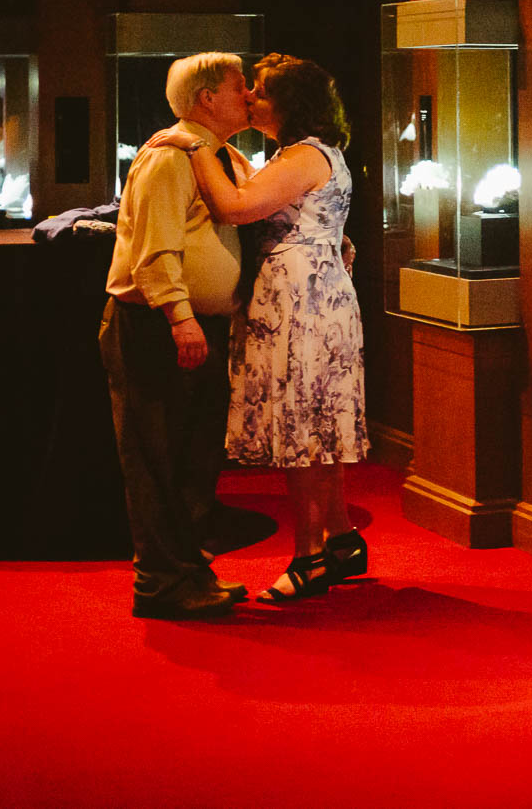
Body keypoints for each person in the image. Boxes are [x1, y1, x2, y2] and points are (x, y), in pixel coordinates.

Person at [150, 53, 370, 602]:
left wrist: (193, 144)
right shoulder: (296, 154)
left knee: (302, 430)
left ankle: (309, 556)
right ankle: (341, 539)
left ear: (291, 105)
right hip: (310, 292)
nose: (250, 100)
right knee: (316, 426)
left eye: (262, 94)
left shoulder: (301, 155)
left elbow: (235, 207)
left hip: (302, 299)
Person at [99, 52, 255, 619]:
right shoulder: (169, 157)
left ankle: (189, 571)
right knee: (156, 458)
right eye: (241, 86)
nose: (251, 95)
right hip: (157, 326)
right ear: (207, 98)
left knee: (192, 459)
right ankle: (161, 584)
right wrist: (179, 316)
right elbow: (155, 249)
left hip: (195, 325)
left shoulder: (219, 153)